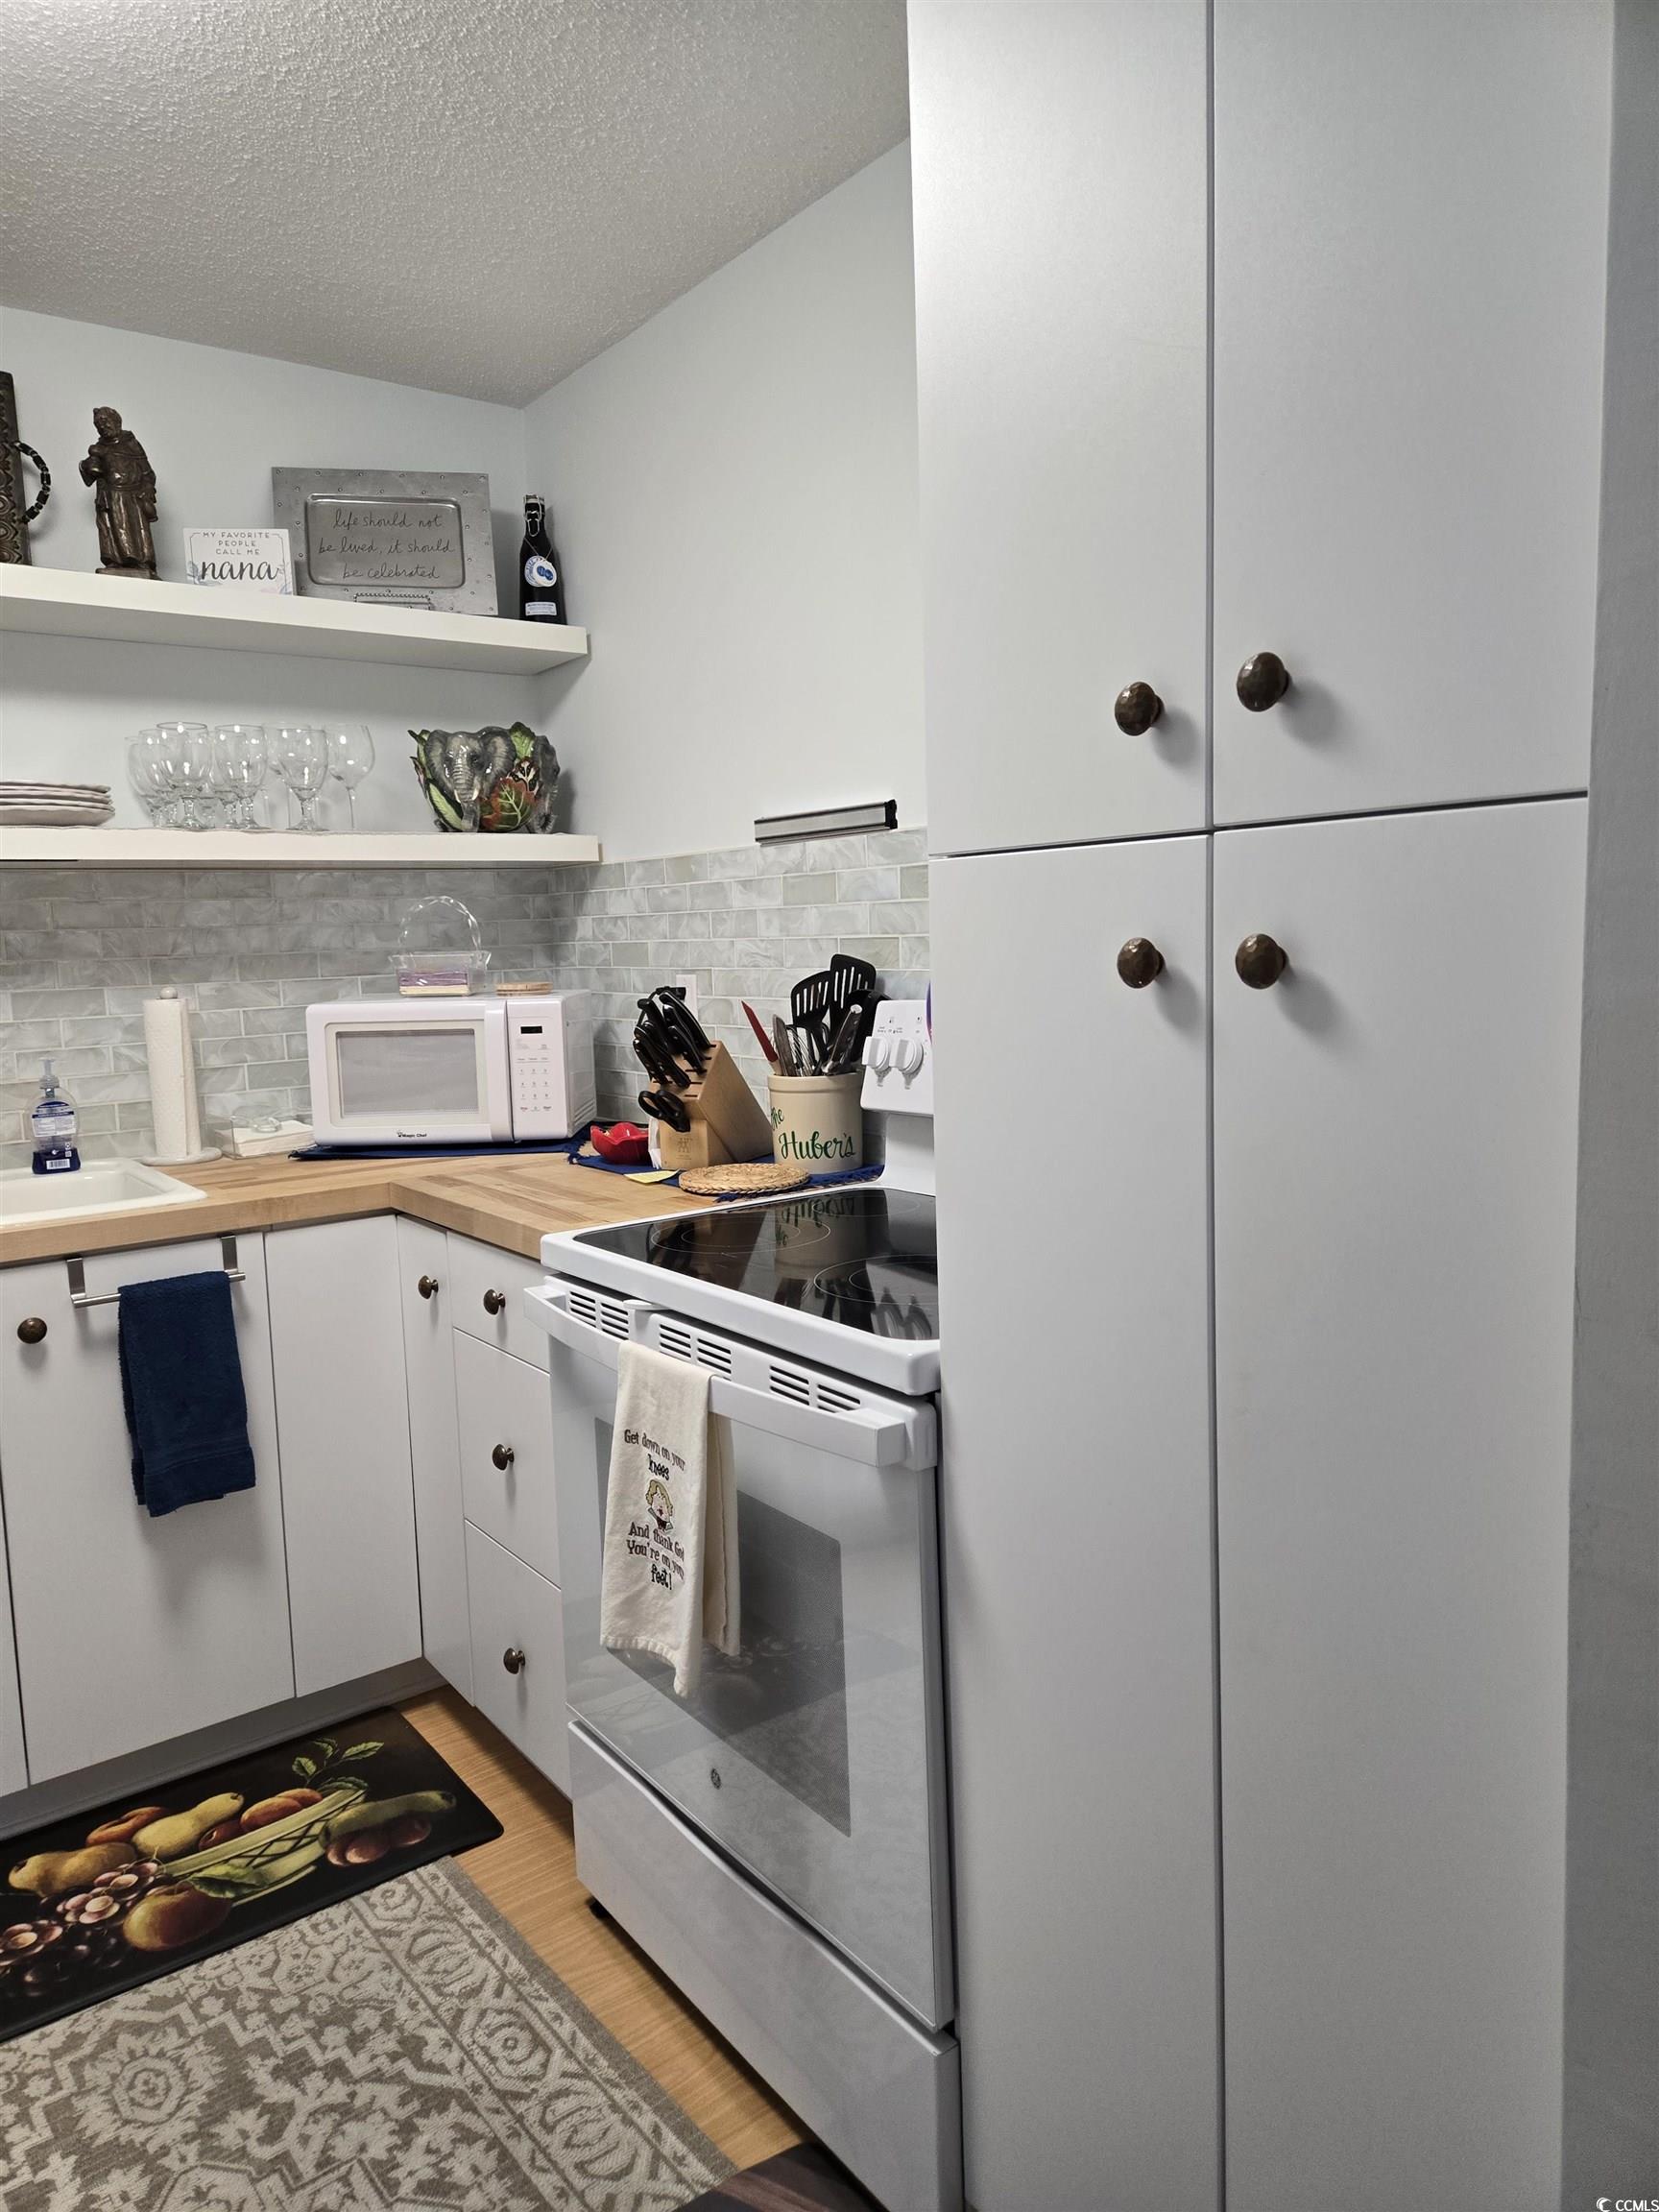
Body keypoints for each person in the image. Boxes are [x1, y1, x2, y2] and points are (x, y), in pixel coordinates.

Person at [79, 405, 156, 576]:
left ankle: (142, 562)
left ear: (116, 422)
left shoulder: (131, 443)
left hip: (133, 496)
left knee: (137, 530)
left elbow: (147, 472)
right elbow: (91, 475)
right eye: (98, 425)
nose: (103, 427)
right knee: (111, 530)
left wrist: (148, 488)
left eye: (106, 422)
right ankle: (115, 561)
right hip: (110, 496)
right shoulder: (98, 448)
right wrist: (87, 464)